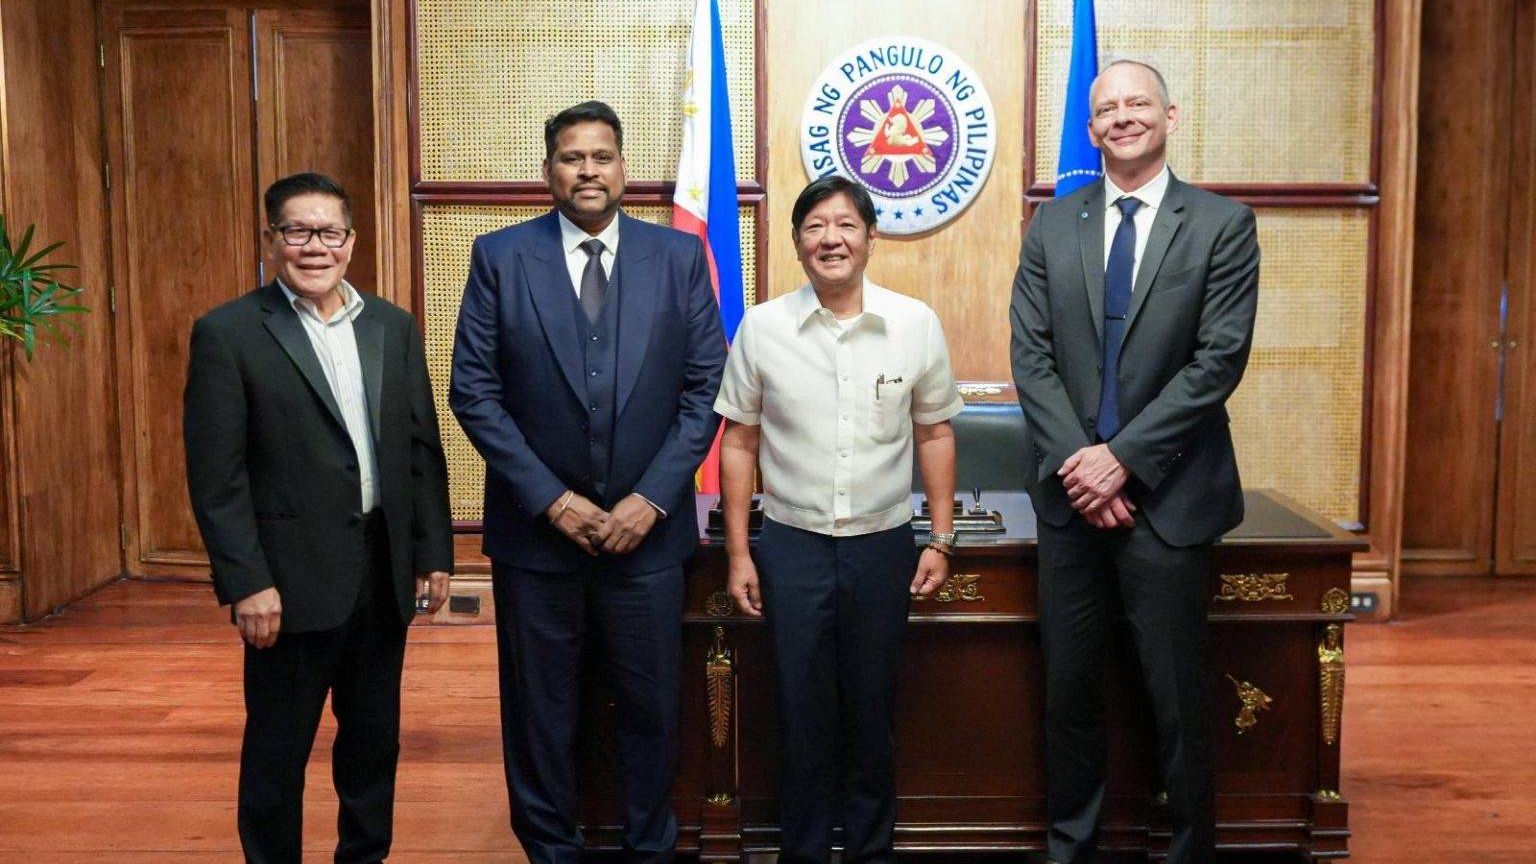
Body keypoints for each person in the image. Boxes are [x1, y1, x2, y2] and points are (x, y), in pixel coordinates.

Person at [449, 100, 727, 864]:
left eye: (601, 156)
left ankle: (649, 849)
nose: (588, 171)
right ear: (549, 171)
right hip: (537, 542)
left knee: (651, 711)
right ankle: (550, 851)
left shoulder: (677, 258)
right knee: (540, 717)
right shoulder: (500, 257)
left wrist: (652, 498)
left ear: (623, 168)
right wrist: (553, 501)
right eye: (572, 158)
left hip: (649, 540)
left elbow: (708, 388)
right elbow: (473, 391)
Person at [1009, 59, 1261, 864]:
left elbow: (1217, 363)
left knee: (1177, 699)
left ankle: (1189, 851)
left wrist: (1122, 460)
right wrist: (1082, 468)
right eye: (1107, 108)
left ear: (1170, 116)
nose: (1122, 117)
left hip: (1170, 499)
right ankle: (1070, 849)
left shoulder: (1222, 225)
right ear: (1091, 129)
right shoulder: (1052, 225)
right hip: (1071, 505)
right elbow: (1031, 356)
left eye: (1138, 104)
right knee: (1069, 695)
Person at [184, 171, 454, 864]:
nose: (314, 247)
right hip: (287, 583)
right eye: (297, 231)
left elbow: (419, 448)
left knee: (373, 744)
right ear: (271, 240)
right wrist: (247, 583)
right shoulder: (228, 333)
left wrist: (432, 553)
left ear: (351, 242)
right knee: (278, 753)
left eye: (329, 232)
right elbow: (217, 479)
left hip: (382, 571)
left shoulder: (391, 325)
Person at [715, 176, 962, 864]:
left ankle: (870, 852)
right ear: (797, 242)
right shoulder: (763, 328)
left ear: (871, 237)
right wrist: (739, 553)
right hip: (791, 547)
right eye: (816, 226)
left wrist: (940, 538)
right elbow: (738, 442)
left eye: (847, 225)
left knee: (873, 712)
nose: (832, 239)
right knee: (800, 712)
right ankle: (803, 852)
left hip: (883, 547)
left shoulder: (914, 323)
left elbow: (935, 433)